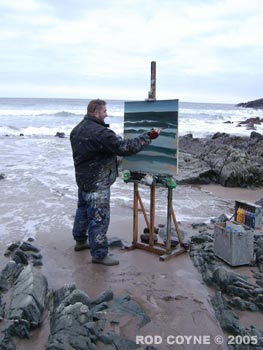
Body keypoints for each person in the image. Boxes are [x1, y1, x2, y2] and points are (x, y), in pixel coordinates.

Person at [70, 99, 160, 266]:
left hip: (82, 180)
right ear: (96, 112)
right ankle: (99, 254)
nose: (107, 114)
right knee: (99, 218)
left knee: (82, 210)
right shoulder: (101, 133)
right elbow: (125, 148)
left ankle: (80, 241)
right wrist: (148, 136)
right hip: (98, 183)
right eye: (104, 111)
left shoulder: (76, 130)